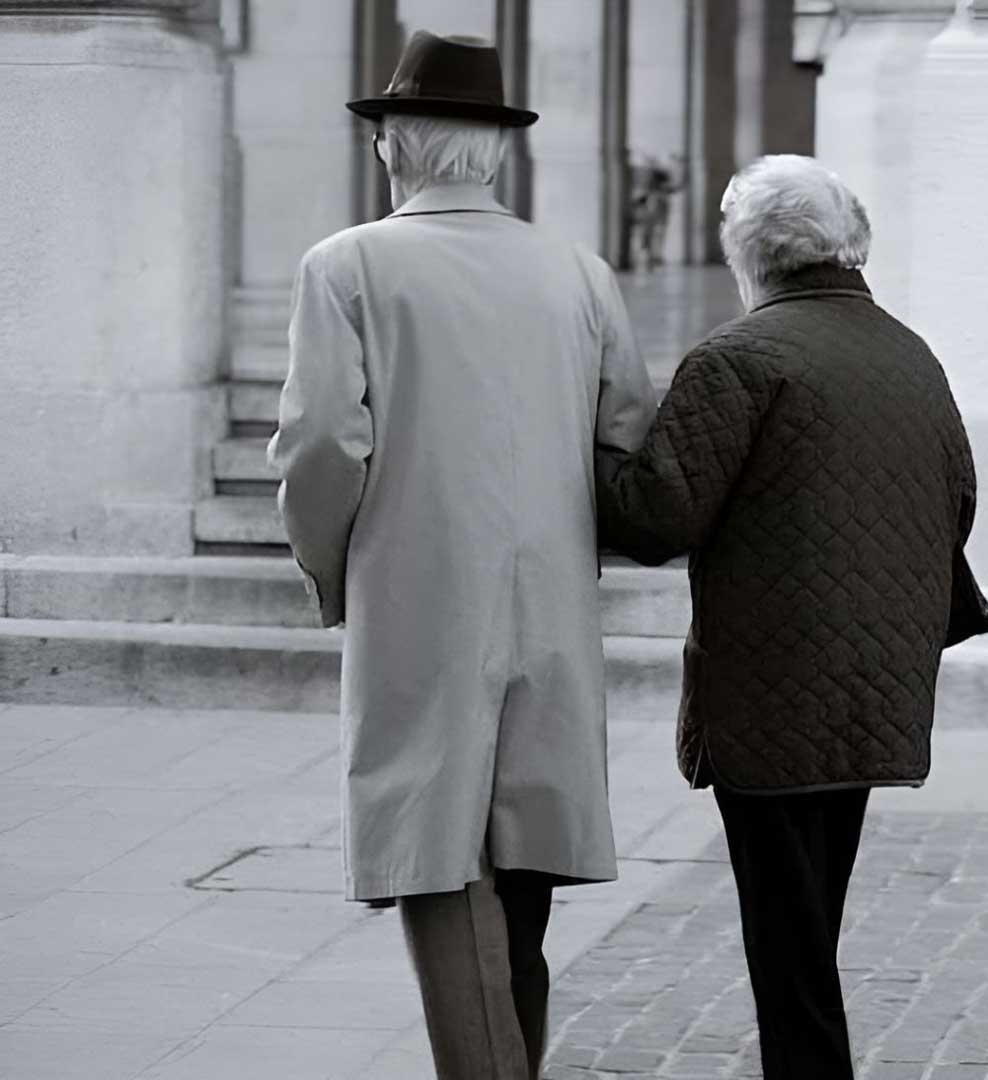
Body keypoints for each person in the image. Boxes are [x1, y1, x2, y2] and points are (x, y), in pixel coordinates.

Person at [268, 30, 656, 1080]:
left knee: (436, 862)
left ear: (395, 143)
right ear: (493, 151)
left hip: (417, 593)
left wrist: (332, 565)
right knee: (519, 872)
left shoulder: (347, 265)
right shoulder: (577, 270)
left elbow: (319, 447)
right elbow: (626, 435)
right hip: (548, 601)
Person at [595, 154, 988, 1080]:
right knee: (812, 906)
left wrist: (585, 444)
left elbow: (658, 517)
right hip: (876, 674)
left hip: (774, 685)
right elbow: (959, 496)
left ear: (749, 251)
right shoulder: (907, 350)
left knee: (788, 932)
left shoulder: (740, 358)